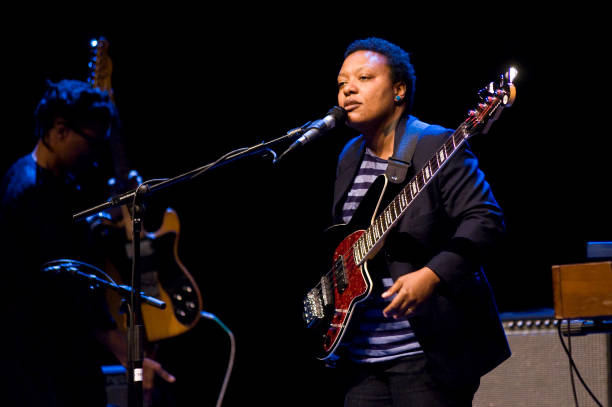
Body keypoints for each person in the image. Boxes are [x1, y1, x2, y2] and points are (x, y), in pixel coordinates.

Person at [318, 37, 511, 406]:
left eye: (364, 77)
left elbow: (485, 219)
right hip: (361, 361)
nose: (348, 90)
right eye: (342, 83)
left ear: (399, 90)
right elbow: (345, 245)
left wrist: (431, 274)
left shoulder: (434, 144)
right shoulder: (348, 156)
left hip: (425, 357)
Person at [0, 79, 175, 406]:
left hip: (60, 354)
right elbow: (68, 292)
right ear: (60, 129)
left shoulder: (55, 181)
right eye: (93, 142)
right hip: (43, 361)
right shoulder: (28, 192)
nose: (97, 156)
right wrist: (128, 356)